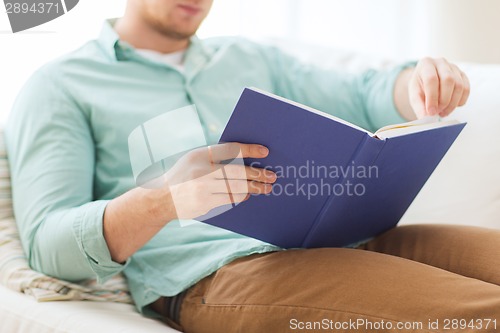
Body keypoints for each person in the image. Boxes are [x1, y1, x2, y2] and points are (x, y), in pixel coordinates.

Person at [5, 0, 500, 332]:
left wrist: (419, 82)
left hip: (349, 237)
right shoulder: (60, 84)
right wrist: (164, 200)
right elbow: (50, 244)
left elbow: (366, 93)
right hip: (219, 273)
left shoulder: (252, 57)